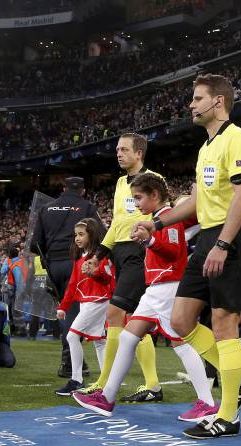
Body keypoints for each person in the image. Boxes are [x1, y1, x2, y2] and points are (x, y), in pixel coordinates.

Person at [133, 74, 241, 439]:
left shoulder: (237, 138)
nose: (191, 104)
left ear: (218, 101)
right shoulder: (206, 148)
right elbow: (196, 202)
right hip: (207, 237)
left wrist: (223, 244)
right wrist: (155, 223)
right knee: (181, 319)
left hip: (229, 238)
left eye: (197, 98)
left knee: (223, 323)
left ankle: (229, 416)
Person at [75, 173, 219, 424]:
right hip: (156, 289)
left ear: (154, 195)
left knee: (179, 344)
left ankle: (208, 402)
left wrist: (150, 240)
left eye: (139, 197)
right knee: (130, 336)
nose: (136, 203)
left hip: (168, 287)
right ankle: (107, 397)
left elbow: (173, 252)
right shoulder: (158, 218)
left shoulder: (169, 218)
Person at [82, 134, 162, 402]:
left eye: (124, 149)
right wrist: (100, 255)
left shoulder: (154, 180)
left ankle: (105, 383)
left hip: (139, 254)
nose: (118, 153)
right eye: (117, 149)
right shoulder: (119, 183)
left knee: (116, 312)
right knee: (137, 319)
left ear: (139, 153)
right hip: (120, 254)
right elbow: (117, 224)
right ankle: (152, 385)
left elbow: (163, 215)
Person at [32, 176, 102, 378]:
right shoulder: (87, 207)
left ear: (63, 189)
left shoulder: (46, 208)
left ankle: (72, 359)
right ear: (83, 191)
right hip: (76, 262)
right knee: (73, 310)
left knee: (65, 308)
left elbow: (34, 243)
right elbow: (100, 234)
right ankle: (69, 361)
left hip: (53, 265)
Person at [54, 218, 113, 396]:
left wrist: (95, 273)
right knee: (100, 341)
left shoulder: (100, 256)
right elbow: (72, 284)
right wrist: (63, 307)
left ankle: (77, 380)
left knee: (72, 336)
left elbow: (109, 280)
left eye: (81, 234)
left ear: (92, 234)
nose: (77, 238)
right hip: (88, 302)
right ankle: (106, 382)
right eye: (75, 235)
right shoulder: (80, 258)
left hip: (99, 301)